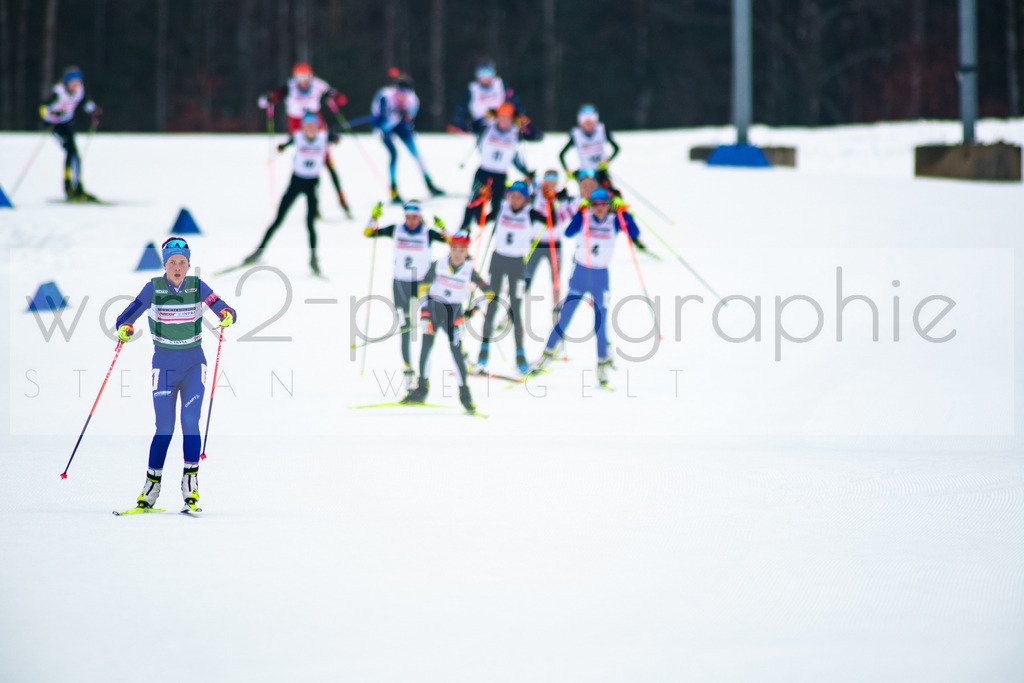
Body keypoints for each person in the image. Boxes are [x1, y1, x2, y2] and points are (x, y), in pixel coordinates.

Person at [114, 237, 237, 513]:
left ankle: (190, 486)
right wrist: (124, 329)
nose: (178, 267)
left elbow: (223, 307)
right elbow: (126, 317)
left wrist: (226, 314)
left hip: (194, 363)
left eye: (182, 262)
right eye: (172, 262)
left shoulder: (197, 286)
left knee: (190, 421)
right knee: (165, 427)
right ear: (165, 264)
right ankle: (151, 488)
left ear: (189, 264)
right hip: (165, 365)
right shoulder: (154, 288)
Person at [533, 188, 640, 387]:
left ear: (608, 205)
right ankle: (546, 355)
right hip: (581, 273)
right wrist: (580, 213)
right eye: (595, 205)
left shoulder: (614, 220)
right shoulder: (584, 216)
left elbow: (634, 233)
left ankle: (601, 364)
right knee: (565, 316)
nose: (599, 209)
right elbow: (568, 232)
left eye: (603, 205)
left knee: (600, 321)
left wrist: (624, 212)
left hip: (600, 276)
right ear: (591, 205)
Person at [401, 230, 494, 413]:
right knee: (426, 347)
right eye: (454, 249)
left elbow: (490, 294)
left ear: (466, 251)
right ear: (449, 249)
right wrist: (425, 313)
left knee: (456, 352)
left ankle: (465, 396)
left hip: (454, 315)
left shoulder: (469, 270)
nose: (457, 254)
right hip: (434, 310)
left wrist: (471, 312)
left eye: (461, 250)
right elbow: (423, 289)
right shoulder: (438, 264)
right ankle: (421, 389)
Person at [363, 199, 448, 384]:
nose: (411, 221)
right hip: (400, 285)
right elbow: (369, 233)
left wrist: (443, 228)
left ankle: (429, 372)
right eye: (408, 217)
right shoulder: (396, 230)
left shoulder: (427, 233)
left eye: (415, 217)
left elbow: (453, 242)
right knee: (405, 328)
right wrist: (373, 217)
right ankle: (408, 371)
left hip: (422, 285)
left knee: (428, 325)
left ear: (420, 217)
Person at [243, 112, 336, 275]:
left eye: (313, 126)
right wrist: (281, 147)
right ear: (303, 127)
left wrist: (335, 137)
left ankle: (313, 259)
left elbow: (335, 138)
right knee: (278, 219)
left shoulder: (323, 137)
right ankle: (258, 252)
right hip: (296, 182)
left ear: (317, 127)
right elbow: (287, 143)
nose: (310, 129)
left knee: (310, 223)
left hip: (312, 183)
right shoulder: (298, 137)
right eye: (307, 126)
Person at [259, 63, 352, 217]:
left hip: (316, 123)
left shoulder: (318, 84)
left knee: (327, 162)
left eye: (305, 77)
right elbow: (265, 101)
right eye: (299, 77)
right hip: (297, 125)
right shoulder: (290, 87)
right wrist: (269, 99)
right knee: (305, 164)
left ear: (310, 76)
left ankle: (342, 200)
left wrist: (336, 98)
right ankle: (313, 206)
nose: (303, 81)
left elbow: (339, 97)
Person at [475, 181, 546, 375]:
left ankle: (520, 354)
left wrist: (550, 200)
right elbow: (479, 219)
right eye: (512, 196)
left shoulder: (530, 213)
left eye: (519, 197)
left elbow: (552, 222)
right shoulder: (500, 208)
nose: (515, 200)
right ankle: (483, 352)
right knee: (492, 305)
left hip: (517, 265)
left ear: (526, 199)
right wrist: (482, 199)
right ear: (508, 196)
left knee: (516, 309)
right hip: (498, 260)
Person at [459, 102, 541, 231]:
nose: (503, 121)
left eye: (507, 118)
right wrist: (484, 116)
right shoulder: (487, 126)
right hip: (483, 172)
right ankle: (464, 229)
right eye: (501, 117)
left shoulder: (515, 131)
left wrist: (525, 123)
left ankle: (498, 231)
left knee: (498, 206)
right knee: (474, 201)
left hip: (500, 175)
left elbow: (536, 136)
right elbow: (469, 126)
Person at [371, 70, 444, 204]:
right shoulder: (385, 97)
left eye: (406, 93)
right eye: (400, 93)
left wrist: (404, 117)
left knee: (416, 154)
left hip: (401, 126)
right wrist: (395, 117)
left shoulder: (413, 100)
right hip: (384, 127)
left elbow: (409, 119)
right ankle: (393, 190)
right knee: (394, 155)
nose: (403, 97)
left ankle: (430, 184)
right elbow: (380, 124)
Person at [39, 65, 100, 201]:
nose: (76, 86)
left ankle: (78, 187)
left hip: (67, 123)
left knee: (75, 155)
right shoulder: (58, 93)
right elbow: (43, 109)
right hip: (55, 126)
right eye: (73, 83)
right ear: (67, 83)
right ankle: (68, 187)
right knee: (70, 151)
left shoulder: (79, 91)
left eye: (78, 83)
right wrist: (52, 115)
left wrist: (93, 109)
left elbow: (84, 101)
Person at [559, 104, 620, 191]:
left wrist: (607, 161)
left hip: (601, 171)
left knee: (608, 193)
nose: (588, 125)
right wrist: (567, 170)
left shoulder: (602, 130)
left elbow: (616, 148)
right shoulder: (576, 135)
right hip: (584, 173)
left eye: (590, 122)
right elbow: (561, 154)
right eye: (585, 122)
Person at [452, 58, 512, 136]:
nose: (486, 77)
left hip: (500, 125)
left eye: (489, 73)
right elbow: (460, 109)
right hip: (479, 124)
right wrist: (461, 124)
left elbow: (514, 102)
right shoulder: (473, 89)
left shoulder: (501, 86)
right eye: (483, 73)